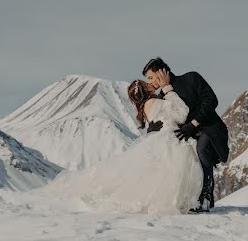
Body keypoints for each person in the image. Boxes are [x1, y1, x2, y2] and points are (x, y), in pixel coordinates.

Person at [40, 78, 203, 215]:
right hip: (170, 141)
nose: (151, 83)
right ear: (146, 90)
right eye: (147, 83)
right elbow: (181, 113)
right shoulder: (154, 102)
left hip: (161, 140)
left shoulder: (145, 107)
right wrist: (168, 89)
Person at [143, 57, 229, 213]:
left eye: (150, 77)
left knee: (202, 148)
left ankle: (205, 199)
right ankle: (189, 199)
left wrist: (194, 123)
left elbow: (211, 100)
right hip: (187, 137)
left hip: (210, 129)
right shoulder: (163, 96)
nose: (150, 82)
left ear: (162, 72)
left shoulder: (191, 77)